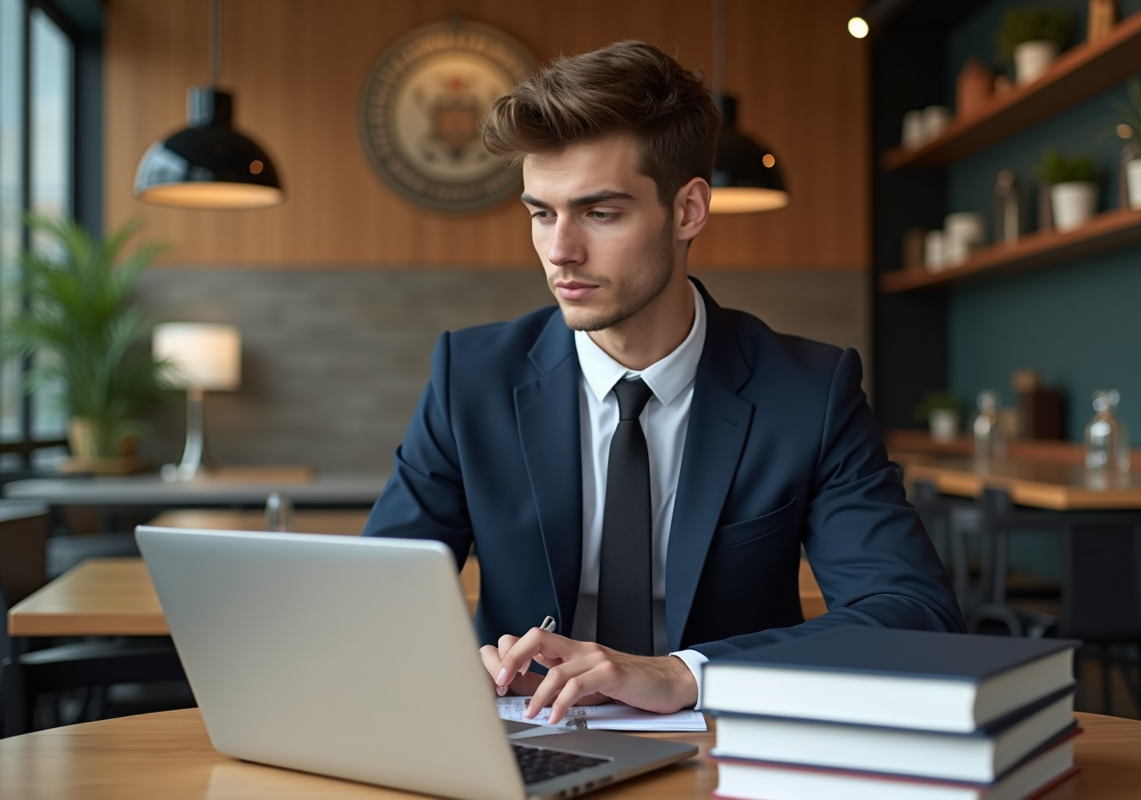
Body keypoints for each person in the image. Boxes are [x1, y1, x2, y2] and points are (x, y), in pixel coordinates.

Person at [363, 40, 963, 725]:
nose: (560, 250)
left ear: (688, 212)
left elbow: (913, 616)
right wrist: (439, 658)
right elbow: (374, 602)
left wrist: (684, 675)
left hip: (724, 751)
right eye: (541, 213)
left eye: (600, 212)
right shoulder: (470, 378)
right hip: (521, 742)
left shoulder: (810, 392)